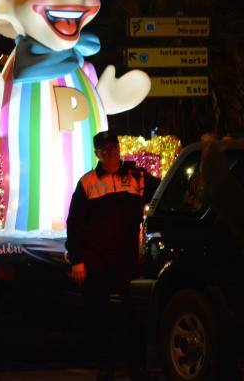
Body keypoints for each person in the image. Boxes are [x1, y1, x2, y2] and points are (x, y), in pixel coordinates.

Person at [66, 130, 159, 380]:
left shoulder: (137, 178)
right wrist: (77, 260)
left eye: (114, 147)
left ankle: (136, 368)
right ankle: (105, 368)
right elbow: (74, 224)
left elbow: (162, 193)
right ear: (97, 153)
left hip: (128, 261)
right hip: (97, 262)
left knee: (134, 316)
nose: (112, 153)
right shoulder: (87, 183)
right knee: (101, 317)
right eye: (106, 150)